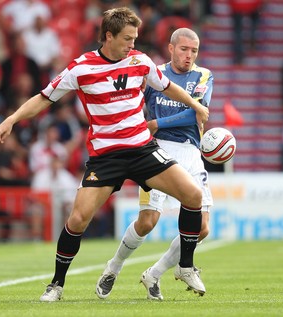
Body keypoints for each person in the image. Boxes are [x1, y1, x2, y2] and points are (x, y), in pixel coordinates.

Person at [0, 7, 209, 302]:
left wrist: (196, 106)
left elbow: (169, 87)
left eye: (135, 38)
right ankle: (56, 285)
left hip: (143, 150)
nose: (133, 45)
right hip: (105, 158)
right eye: (127, 39)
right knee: (78, 219)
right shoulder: (81, 68)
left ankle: (185, 266)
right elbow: (44, 98)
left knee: (193, 197)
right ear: (109, 36)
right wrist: (11, 120)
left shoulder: (140, 61)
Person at [95, 27, 213, 301]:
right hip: (156, 151)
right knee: (148, 221)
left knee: (203, 228)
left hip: (190, 151)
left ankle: (155, 274)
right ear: (171, 48)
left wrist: (156, 123)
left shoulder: (204, 76)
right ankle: (114, 266)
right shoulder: (153, 73)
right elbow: (132, 104)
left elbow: (194, 112)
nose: (188, 55)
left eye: (193, 51)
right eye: (183, 49)